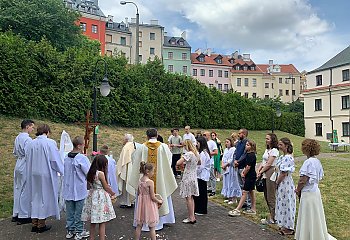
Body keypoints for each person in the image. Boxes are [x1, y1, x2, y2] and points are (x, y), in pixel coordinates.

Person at [129, 128, 177, 231]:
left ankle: (143, 223)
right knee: (161, 194)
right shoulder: (163, 147)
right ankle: (160, 222)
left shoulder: (142, 147)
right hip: (160, 180)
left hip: (145, 181)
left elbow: (134, 159)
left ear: (147, 136)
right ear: (157, 135)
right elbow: (169, 160)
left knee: (143, 198)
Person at [25, 124, 64, 233]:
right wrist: (62, 170)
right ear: (47, 132)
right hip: (46, 174)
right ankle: (41, 224)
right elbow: (54, 160)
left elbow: (28, 158)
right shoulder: (49, 143)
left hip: (33, 173)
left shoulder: (31, 143)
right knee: (44, 198)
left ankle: (34, 223)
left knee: (35, 197)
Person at [294, 139, 329, 240]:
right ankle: (315, 234)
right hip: (315, 191)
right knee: (315, 214)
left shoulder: (308, 162)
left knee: (308, 215)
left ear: (306, 149)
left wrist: (297, 190)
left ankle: (307, 236)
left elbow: (303, 180)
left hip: (308, 192)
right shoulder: (317, 161)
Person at [81, 155, 116, 240]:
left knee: (93, 222)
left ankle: (91, 238)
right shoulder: (100, 173)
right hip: (100, 197)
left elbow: (88, 186)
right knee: (102, 222)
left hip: (92, 195)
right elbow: (105, 187)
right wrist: (112, 193)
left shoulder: (91, 172)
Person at [63, 136, 91, 240]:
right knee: (79, 212)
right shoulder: (81, 158)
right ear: (79, 146)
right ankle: (79, 231)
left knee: (70, 211)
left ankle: (70, 230)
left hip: (68, 187)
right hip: (79, 188)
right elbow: (88, 172)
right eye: (83, 144)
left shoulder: (66, 157)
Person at [12, 119, 34, 225]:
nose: (32, 129)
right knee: (25, 188)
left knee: (18, 188)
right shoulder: (28, 139)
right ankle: (23, 215)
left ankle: (15, 213)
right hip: (25, 163)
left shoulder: (17, 137)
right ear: (27, 126)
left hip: (18, 163)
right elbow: (29, 153)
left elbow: (15, 152)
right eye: (32, 127)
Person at [134, 162, 163, 240]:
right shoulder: (150, 182)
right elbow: (152, 197)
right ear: (147, 171)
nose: (153, 173)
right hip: (149, 205)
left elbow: (139, 193)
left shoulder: (140, 180)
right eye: (153, 171)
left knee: (139, 225)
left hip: (141, 205)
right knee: (152, 227)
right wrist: (159, 201)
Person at [229, 140, 257, 216]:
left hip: (250, 175)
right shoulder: (247, 154)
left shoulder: (251, 155)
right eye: (246, 145)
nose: (246, 146)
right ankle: (253, 208)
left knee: (244, 192)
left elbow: (248, 167)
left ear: (252, 147)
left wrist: (243, 173)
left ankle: (238, 209)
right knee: (251, 191)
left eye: (248, 145)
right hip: (249, 175)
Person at [275, 137, 296, 236]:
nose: (279, 147)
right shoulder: (282, 157)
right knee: (282, 203)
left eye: (281, 145)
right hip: (282, 183)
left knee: (287, 203)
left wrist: (277, 183)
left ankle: (289, 227)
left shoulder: (288, 157)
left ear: (286, 146)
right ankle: (284, 224)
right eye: (279, 145)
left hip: (285, 183)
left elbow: (283, 173)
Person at [257, 133, 279, 224]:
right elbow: (263, 161)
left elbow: (269, 163)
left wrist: (261, 171)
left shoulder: (274, 150)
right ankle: (271, 214)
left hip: (270, 172)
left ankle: (274, 217)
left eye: (268, 139)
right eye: (265, 138)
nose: (266, 140)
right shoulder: (267, 150)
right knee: (266, 194)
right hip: (264, 172)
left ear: (272, 140)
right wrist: (259, 170)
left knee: (271, 195)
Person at [176, 140, 200, 224]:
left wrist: (182, 158)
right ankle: (192, 216)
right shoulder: (196, 153)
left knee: (188, 198)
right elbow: (199, 163)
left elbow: (178, 162)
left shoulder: (188, 154)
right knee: (191, 197)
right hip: (194, 175)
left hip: (188, 176)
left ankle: (191, 217)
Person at [117, 134, 137, 208]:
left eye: (123, 139)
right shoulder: (133, 145)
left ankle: (126, 202)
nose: (123, 140)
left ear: (126, 140)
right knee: (130, 184)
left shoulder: (126, 147)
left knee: (125, 185)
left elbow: (123, 161)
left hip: (127, 168)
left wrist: (119, 169)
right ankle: (131, 201)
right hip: (132, 167)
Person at [233, 129, 250, 209]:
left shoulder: (247, 143)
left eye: (240, 133)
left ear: (244, 134)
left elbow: (245, 154)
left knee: (246, 185)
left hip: (243, 166)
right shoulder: (238, 143)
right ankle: (244, 201)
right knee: (241, 185)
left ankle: (248, 202)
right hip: (238, 166)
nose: (238, 135)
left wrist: (238, 161)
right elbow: (235, 152)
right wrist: (234, 160)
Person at [221, 137, 241, 204]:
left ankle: (234, 198)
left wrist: (226, 164)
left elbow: (231, 159)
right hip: (225, 168)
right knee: (227, 182)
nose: (226, 143)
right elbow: (223, 157)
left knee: (232, 182)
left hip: (231, 168)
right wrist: (223, 164)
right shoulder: (226, 149)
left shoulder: (233, 149)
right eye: (225, 142)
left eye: (228, 142)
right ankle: (229, 197)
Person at [194, 136, 211, 215]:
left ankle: (202, 209)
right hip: (199, 176)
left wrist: (194, 171)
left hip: (202, 176)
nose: (196, 144)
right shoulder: (200, 153)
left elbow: (201, 166)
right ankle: (197, 208)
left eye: (197, 143)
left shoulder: (204, 154)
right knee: (198, 192)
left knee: (202, 193)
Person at [203, 131, 218, 197]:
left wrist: (208, 153)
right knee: (207, 176)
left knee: (212, 176)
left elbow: (216, 152)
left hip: (210, 161)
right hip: (205, 162)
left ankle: (213, 190)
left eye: (205, 135)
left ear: (208, 135)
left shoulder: (212, 143)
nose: (204, 136)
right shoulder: (205, 142)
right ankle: (209, 188)